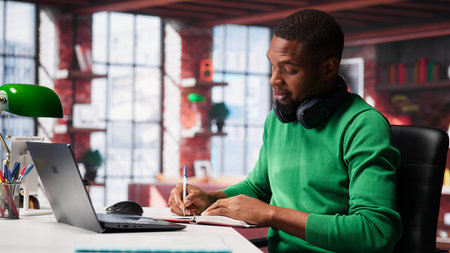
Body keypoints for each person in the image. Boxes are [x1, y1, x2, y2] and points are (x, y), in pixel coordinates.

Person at [169, 9, 401, 253]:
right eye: (273, 66)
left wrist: (270, 214)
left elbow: (375, 231)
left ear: (328, 68)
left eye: (289, 70)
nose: (274, 79)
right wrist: (209, 199)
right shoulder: (278, 120)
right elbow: (258, 189)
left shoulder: (363, 125)